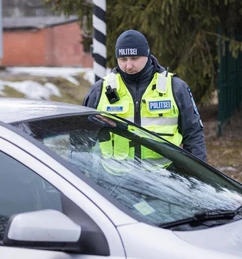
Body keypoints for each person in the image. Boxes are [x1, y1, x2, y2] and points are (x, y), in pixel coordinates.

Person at [83, 29, 207, 163]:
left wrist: (198, 179)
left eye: (134, 58)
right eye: (123, 59)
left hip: (165, 178)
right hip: (114, 179)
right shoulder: (100, 90)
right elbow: (81, 139)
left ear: (147, 55)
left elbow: (194, 136)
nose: (128, 66)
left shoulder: (175, 87)